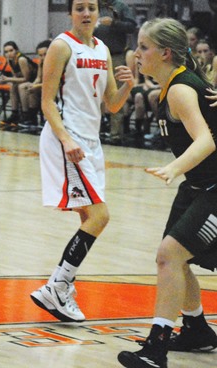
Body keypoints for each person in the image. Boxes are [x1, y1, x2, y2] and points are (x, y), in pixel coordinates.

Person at [117, 17, 217, 368]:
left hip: (212, 185)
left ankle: (156, 349)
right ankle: (196, 329)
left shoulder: (179, 89)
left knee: (169, 255)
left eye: (143, 47)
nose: (136, 53)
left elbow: (206, 139)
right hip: (198, 185)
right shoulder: (169, 86)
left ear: (165, 52)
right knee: (171, 258)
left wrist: (174, 168)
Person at [30, 0, 134, 323]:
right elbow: (47, 102)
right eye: (80, 8)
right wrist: (66, 139)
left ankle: (61, 284)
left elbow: (112, 105)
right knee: (100, 216)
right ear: (70, 13)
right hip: (67, 138)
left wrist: (129, 84)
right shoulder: (61, 47)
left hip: (91, 141)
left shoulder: (102, 49)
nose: (86, 13)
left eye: (91, 7)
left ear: (98, 12)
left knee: (90, 217)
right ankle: (58, 285)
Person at [94, 0, 137, 145]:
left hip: (116, 55)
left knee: (116, 93)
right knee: (95, 94)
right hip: (95, 54)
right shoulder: (94, 5)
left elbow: (132, 26)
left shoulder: (121, 6)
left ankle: (116, 135)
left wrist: (114, 23)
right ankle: (95, 133)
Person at [0, 41, 37, 130]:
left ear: (16, 50)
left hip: (34, 81)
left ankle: (25, 114)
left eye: (11, 50)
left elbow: (26, 78)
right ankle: (15, 113)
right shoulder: (9, 60)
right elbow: (15, 77)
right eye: (6, 52)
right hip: (25, 81)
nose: (9, 53)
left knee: (21, 86)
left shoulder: (21, 59)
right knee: (13, 86)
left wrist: (8, 79)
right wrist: (7, 80)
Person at [17, 39, 51, 134]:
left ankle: (46, 119)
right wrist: (33, 84)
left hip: (55, 88)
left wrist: (37, 86)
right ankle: (30, 117)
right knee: (28, 88)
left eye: (45, 54)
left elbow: (55, 83)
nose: (43, 57)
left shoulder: (56, 63)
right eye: (40, 55)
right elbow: (38, 78)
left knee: (35, 89)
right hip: (44, 86)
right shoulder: (41, 63)